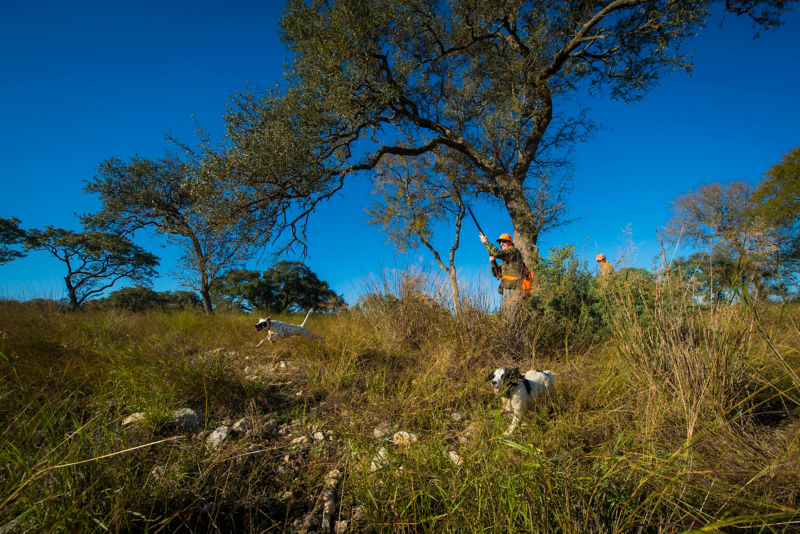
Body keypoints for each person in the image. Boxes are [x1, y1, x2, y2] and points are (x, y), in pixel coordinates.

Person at [480, 231, 526, 322]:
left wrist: (485, 242)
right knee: (505, 315)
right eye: (499, 242)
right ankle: (507, 334)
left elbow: (497, 253)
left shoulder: (514, 251)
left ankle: (514, 335)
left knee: (513, 315)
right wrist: (493, 262)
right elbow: (497, 274)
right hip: (506, 289)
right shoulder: (505, 261)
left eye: (503, 241)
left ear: (510, 242)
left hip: (514, 288)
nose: (501, 244)